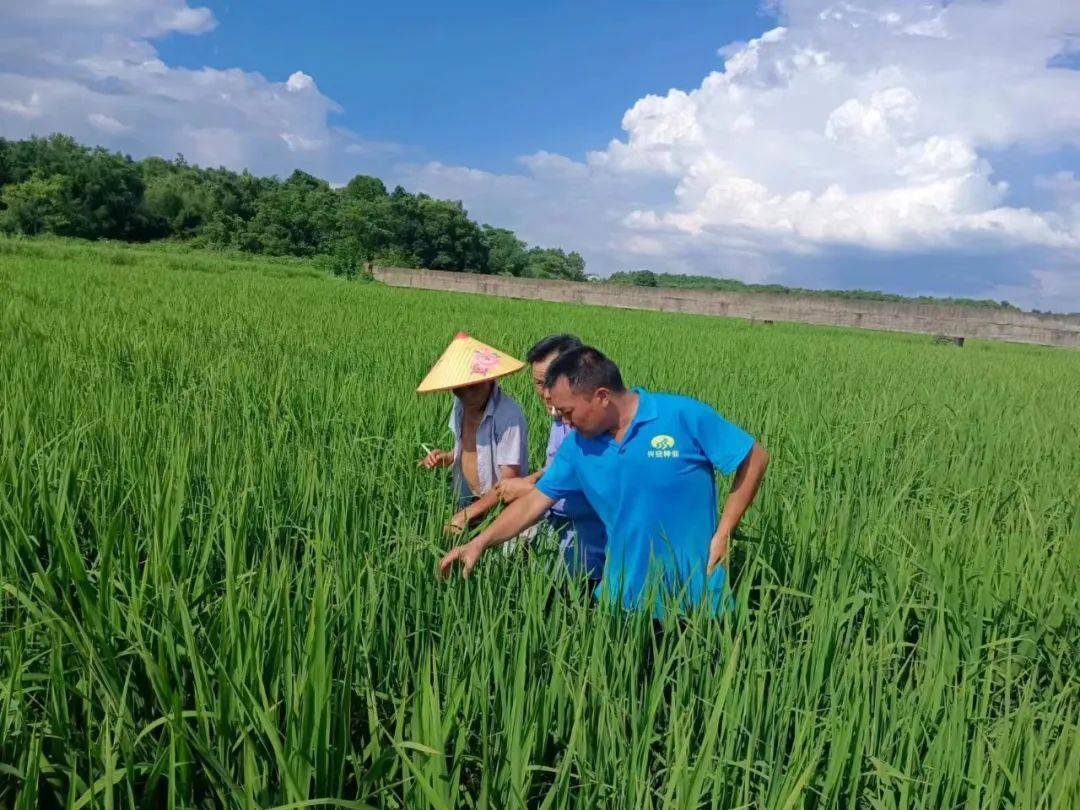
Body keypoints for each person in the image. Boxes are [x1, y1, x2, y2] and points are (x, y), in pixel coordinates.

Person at [439, 346, 769, 617]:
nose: (561, 421)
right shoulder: (578, 445)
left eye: (567, 411)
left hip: (697, 597)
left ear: (601, 396)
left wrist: (725, 532)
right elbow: (534, 501)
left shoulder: (681, 415)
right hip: (622, 599)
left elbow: (754, 457)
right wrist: (478, 543)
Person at [495, 334, 607, 584]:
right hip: (556, 532)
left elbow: (588, 482)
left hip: (586, 553)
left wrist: (528, 486)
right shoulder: (560, 418)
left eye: (551, 382)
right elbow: (557, 468)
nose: (545, 393)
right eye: (538, 383)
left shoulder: (591, 422)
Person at [417, 333, 529, 536]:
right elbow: (467, 447)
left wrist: (468, 514)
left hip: (499, 510)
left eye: (472, 387)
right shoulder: (460, 404)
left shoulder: (509, 416)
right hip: (465, 498)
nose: (465, 394)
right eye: (458, 389)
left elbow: (508, 483)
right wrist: (448, 457)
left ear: (489, 379)